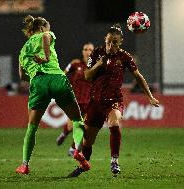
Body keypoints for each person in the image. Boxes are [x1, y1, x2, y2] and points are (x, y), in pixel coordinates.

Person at [68, 24, 160, 177]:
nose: (111, 45)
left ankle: (114, 161)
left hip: (114, 100)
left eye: (115, 42)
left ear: (120, 42)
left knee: (114, 122)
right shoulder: (96, 53)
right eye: (109, 41)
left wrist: (150, 96)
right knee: (87, 142)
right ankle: (83, 166)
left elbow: (138, 76)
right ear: (105, 39)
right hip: (95, 101)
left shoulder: (124, 57)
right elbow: (87, 76)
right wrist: (99, 64)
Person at [15, 15, 90, 174]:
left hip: (38, 83)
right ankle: (77, 150)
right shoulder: (45, 34)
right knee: (77, 119)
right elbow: (47, 37)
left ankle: (24, 165)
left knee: (32, 127)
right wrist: (46, 56)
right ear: (42, 28)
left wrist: (37, 79)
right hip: (57, 79)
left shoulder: (22, 51)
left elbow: (22, 76)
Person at [55, 42, 94, 157]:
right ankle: (64, 133)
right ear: (82, 51)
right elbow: (63, 74)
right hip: (75, 100)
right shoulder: (75, 64)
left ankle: (73, 148)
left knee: (85, 127)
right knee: (72, 126)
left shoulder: (96, 67)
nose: (88, 52)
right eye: (85, 49)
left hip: (89, 102)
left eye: (90, 50)